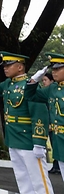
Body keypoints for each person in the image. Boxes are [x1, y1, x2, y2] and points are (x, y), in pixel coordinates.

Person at [0, 51, 53, 194]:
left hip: (28, 139)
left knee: (39, 180)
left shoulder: (30, 86)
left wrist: (39, 142)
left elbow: (39, 116)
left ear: (20, 67)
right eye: (4, 66)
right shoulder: (9, 84)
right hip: (13, 138)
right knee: (22, 177)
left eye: (9, 65)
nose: (5, 69)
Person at [25, 53, 64, 182]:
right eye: (53, 69)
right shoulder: (52, 88)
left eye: (58, 69)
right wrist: (33, 81)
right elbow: (31, 96)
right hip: (59, 140)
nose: (54, 72)